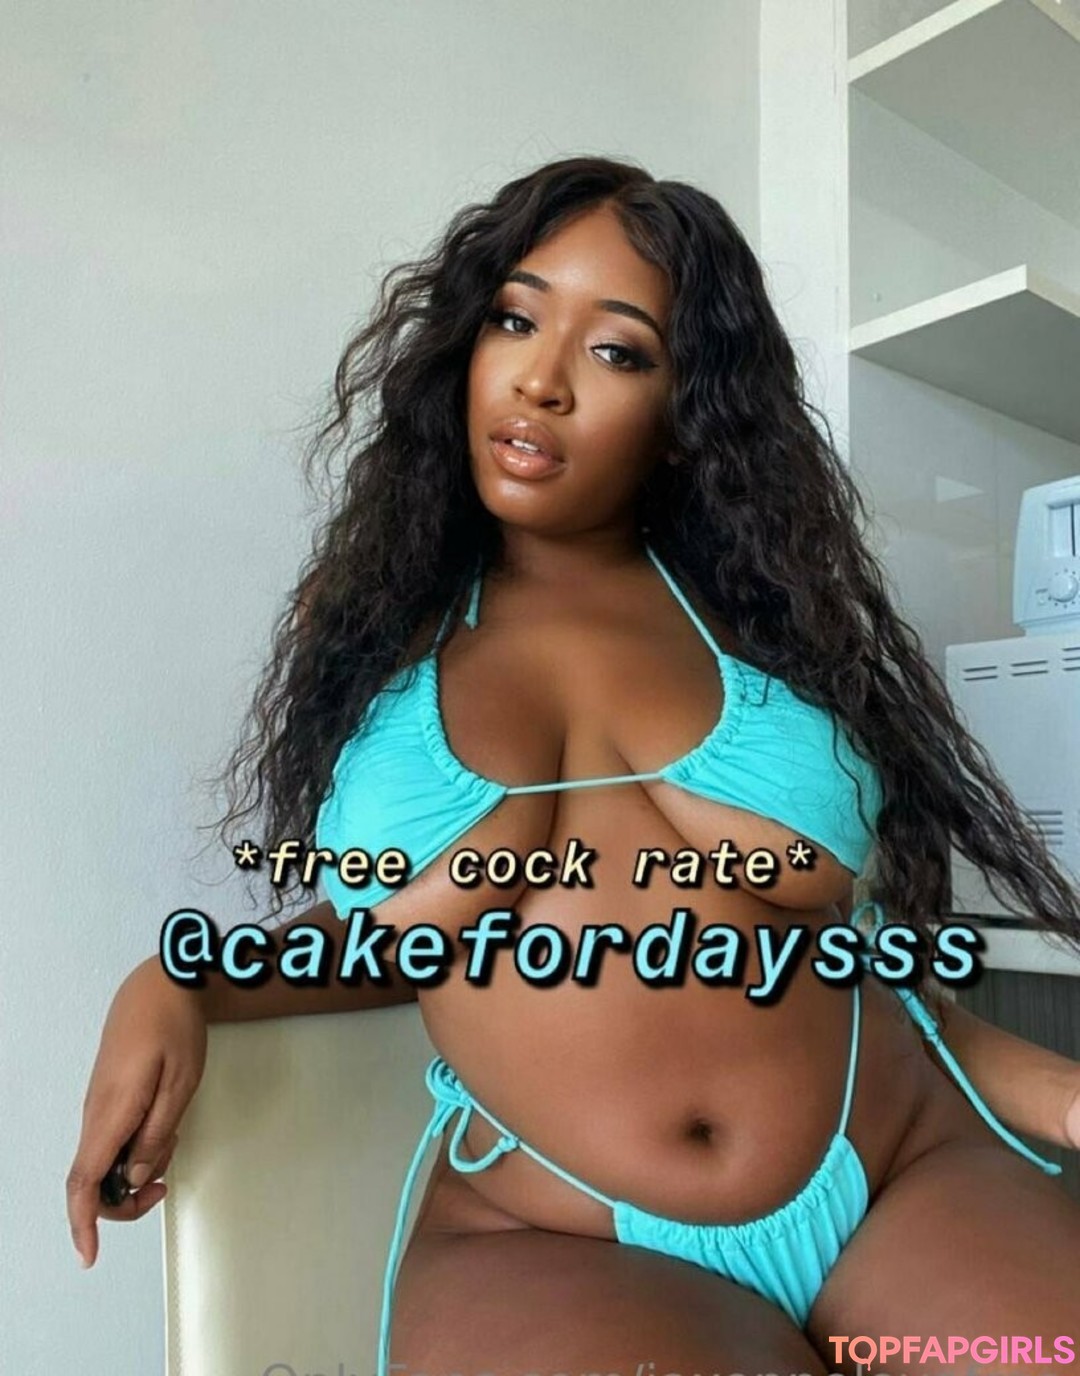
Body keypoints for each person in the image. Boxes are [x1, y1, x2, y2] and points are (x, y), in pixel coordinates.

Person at [68, 156, 1080, 1375]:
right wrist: (182, 980)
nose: (541, 379)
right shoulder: (378, 629)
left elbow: (845, 948)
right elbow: (389, 926)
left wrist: (1062, 1093)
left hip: (901, 1165)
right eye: (515, 318)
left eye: (617, 350)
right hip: (553, 1233)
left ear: (686, 410)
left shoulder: (764, 612)